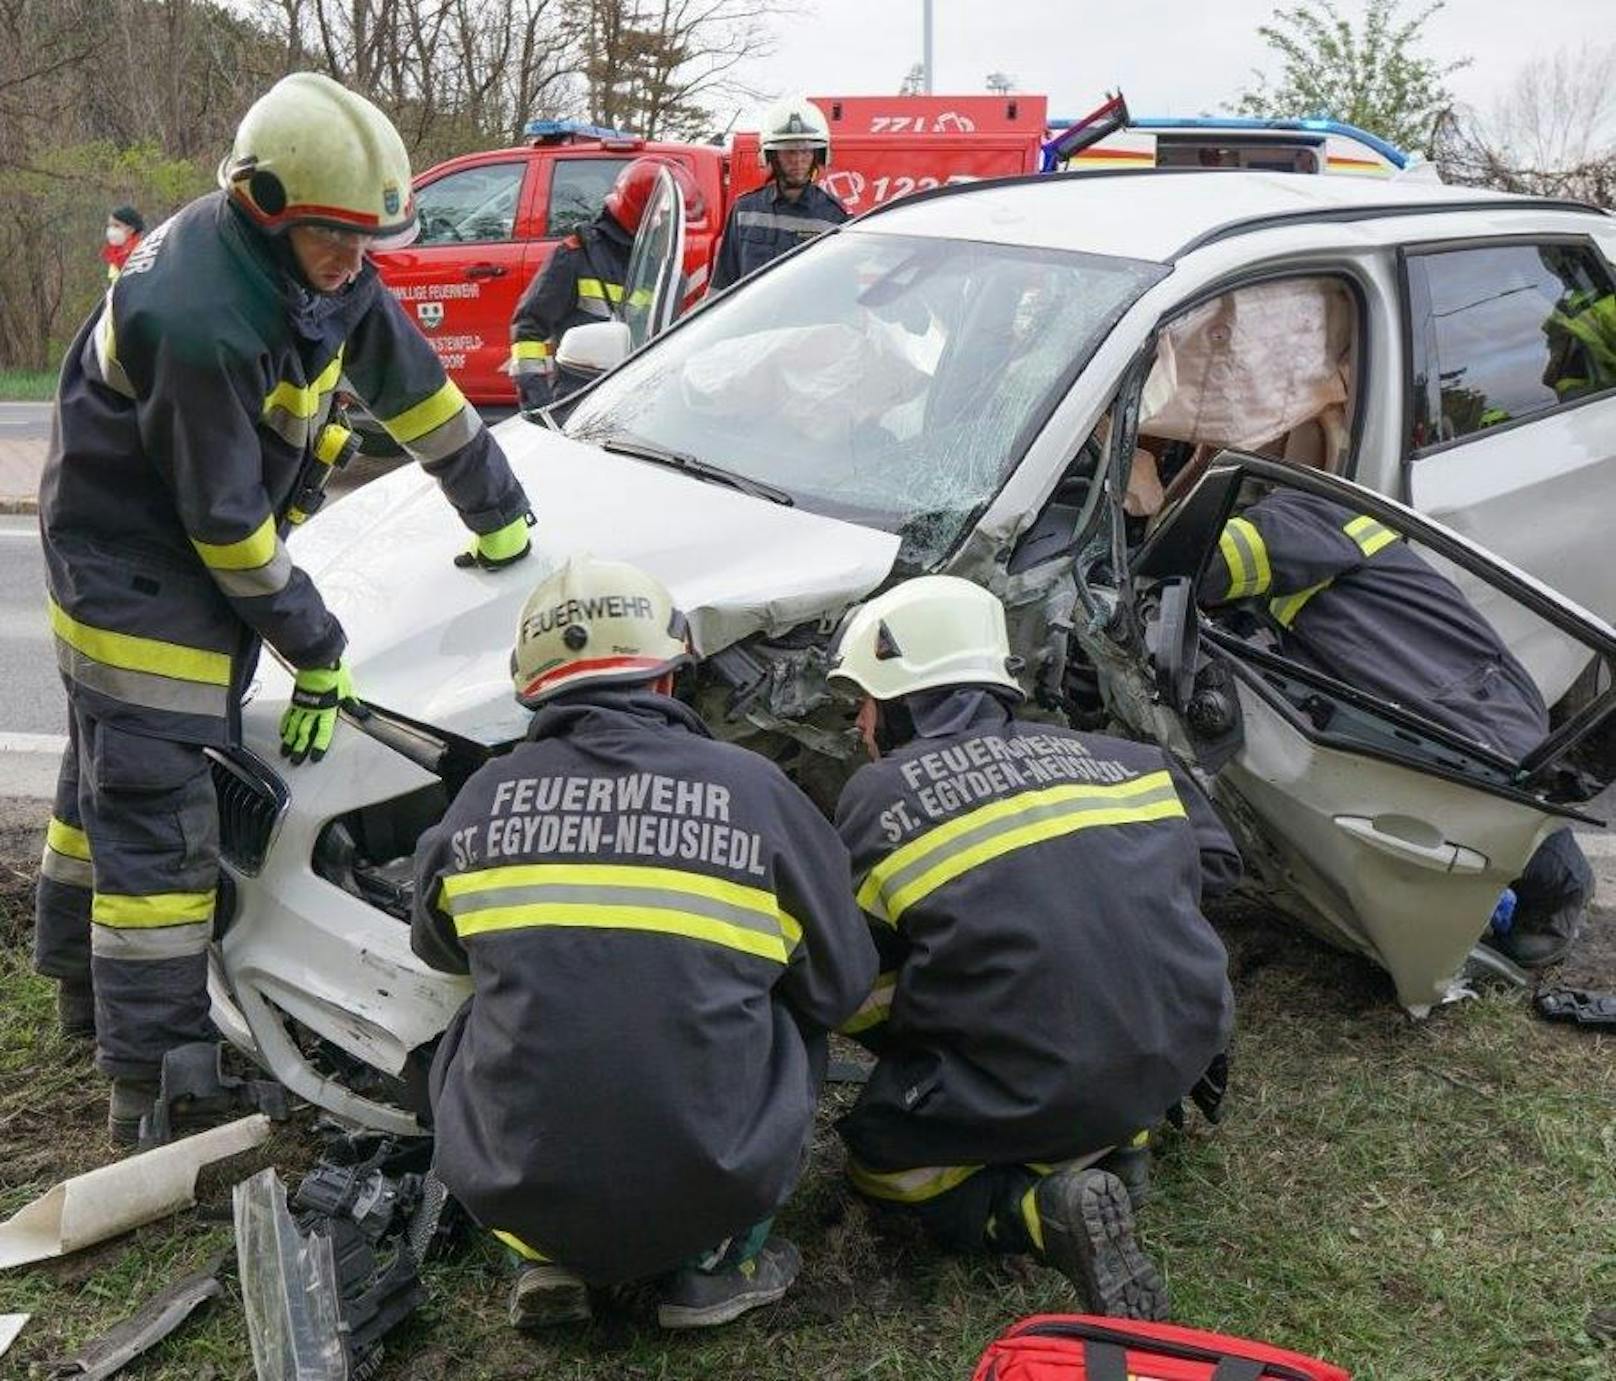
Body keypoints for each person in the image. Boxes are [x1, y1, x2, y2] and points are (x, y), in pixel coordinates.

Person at [35, 71, 535, 1146]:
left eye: (368, 244)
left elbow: (417, 392)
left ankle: (75, 981)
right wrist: (316, 649)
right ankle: (155, 1085)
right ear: (266, 207)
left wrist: (499, 511)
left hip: (175, 546)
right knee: (158, 829)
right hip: (130, 565)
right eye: (334, 242)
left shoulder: (326, 264)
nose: (355, 264)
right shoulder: (198, 313)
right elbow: (225, 530)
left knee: (104, 779)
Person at [411, 555, 876, 1331]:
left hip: (515, 1186)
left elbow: (440, 948)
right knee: (796, 1021)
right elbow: (840, 984)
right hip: (714, 1185)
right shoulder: (756, 793)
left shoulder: (481, 799)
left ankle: (539, 1257)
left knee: (468, 1021)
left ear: (532, 690)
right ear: (666, 677)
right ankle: (715, 1267)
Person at [825, 575, 1239, 1321]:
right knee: (1101, 994)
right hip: (1176, 1041)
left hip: (1040, 1076)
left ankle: (1037, 1208)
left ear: (900, 700)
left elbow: (855, 987)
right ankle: (1122, 1137)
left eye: (863, 701)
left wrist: (934, 1037)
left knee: (880, 1155)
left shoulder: (878, 800)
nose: (859, 724)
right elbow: (1219, 865)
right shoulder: (1126, 757)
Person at [1203, 488, 1593, 968]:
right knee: (1454, 819)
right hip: (1422, 699)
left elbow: (1234, 558)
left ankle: (1560, 893)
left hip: (1464, 704)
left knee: (1508, 814)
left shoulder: (1299, 510)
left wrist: (1155, 555)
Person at [508, 157, 678, 410]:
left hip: (631, 397)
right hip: (578, 395)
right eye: (660, 217)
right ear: (640, 214)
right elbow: (529, 328)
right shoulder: (575, 256)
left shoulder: (650, 264)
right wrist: (539, 403)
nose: (663, 225)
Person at [710, 96, 848, 292]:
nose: (798, 160)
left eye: (806, 152)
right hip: (750, 320)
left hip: (801, 322)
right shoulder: (745, 210)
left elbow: (840, 289)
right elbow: (723, 281)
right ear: (771, 156)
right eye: (789, 152)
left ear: (818, 155)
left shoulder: (834, 218)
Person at [101, 206, 145, 281]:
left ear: (131, 229)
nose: (111, 230)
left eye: (116, 226)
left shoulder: (142, 252)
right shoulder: (114, 254)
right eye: (109, 226)